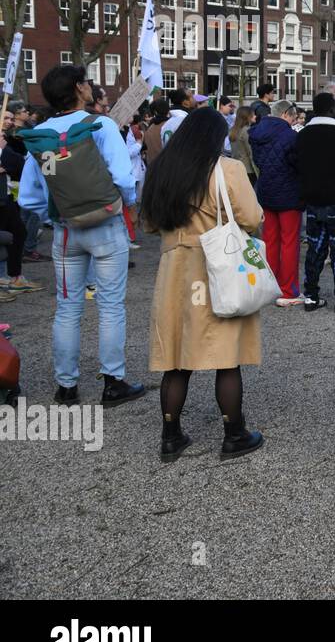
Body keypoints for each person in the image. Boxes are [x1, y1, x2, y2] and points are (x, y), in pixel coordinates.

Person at [138, 107, 265, 462]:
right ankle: (234, 432)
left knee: (176, 357)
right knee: (227, 356)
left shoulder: (162, 169)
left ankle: (170, 434)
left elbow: (148, 224)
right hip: (215, 267)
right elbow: (252, 218)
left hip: (173, 269)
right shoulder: (226, 169)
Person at [18, 65, 144, 407]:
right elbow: (122, 177)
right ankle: (113, 381)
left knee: (67, 308)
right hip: (106, 225)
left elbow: (29, 198)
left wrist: (57, 216)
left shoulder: (39, 135)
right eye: (87, 82)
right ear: (78, 88)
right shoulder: (100, 125)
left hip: (65, 233)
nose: (90, 86)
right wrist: (125, 205)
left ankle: (66, 386)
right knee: (111, 306)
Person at [296, 93, 335, 312]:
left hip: (313, 200)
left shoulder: (302, 135)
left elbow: (297, 166)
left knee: (315, 246)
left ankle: (311, 296)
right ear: (333, 110)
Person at [248, 100, 304, 305]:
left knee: (270, 241)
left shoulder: (256, 134)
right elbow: (297, 164)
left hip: (266, 190)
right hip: (289, 193)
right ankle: (288, 291)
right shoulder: (291, 136)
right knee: (289, 243)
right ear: (286, 114)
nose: (294, 120)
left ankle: (270, 286)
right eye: (294, 116)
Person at [0, 126, 41, 296]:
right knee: (3, 238)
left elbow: (19, 164)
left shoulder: (6, 146)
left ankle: (14, 276)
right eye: (6, 118)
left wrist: (4, 149)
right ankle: (3, 278)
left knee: (17, 233)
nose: (8, 123)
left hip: (6, 197)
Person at [230, 106, 258, 184]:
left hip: (236, 167)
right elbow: (251, 152)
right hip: (248, 169)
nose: (255, 116)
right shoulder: (246, 131)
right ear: (247, 116)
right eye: (253, 115)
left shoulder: (233, 130)